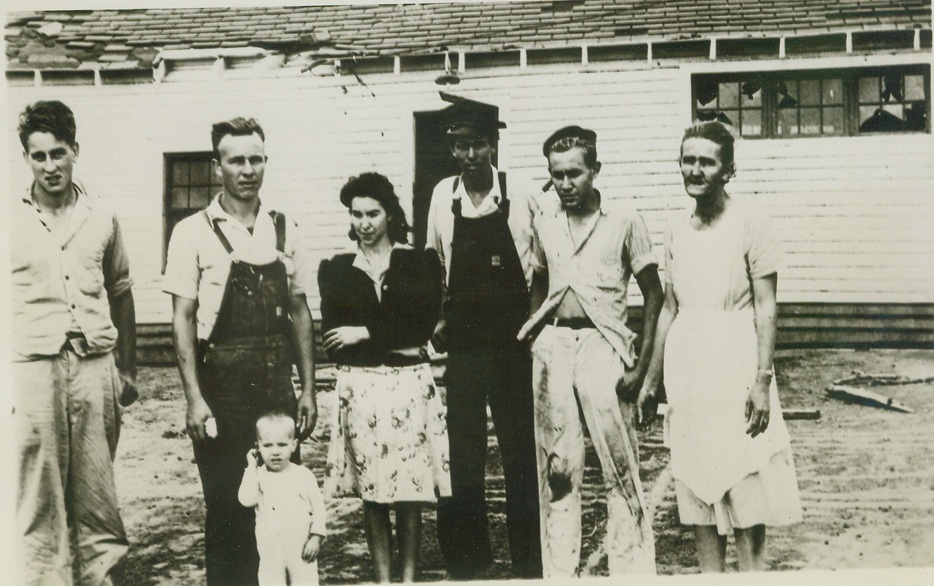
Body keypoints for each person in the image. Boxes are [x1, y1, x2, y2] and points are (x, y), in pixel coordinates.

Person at [636, 120, 803, 572]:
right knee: (697, 489)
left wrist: (761, 382)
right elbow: (670, 306)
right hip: (689, 371)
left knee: (746, 485)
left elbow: (766, 306)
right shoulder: (676, 230)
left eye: (706, 162)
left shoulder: (751, 222)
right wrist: (651, 380)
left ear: (727, 170)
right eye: (688, 161)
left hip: (735, 360)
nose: (695, 170)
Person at [163, 117, 318, 585]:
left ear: (265, 162)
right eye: (236, 160)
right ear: (217, 166)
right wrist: (194, 397)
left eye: (256, 159)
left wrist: (308, 389)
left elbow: (300, 312)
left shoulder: (286, 228)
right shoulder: (192, 231)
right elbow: (183, 319)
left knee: (282, 507)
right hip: (222, 389)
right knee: (229, 509)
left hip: (276, 387)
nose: (247, 169)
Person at [517, 125, 663, 576]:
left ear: (595, 170)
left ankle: (632, 573)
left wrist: (640, 368)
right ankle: (559, 574)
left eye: (575, 174)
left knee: (619, 466)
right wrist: (536, 336)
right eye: (556, 175)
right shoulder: (544, 218)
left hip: (605, 345)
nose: (565, 184)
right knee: (558, 471)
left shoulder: (624, 219)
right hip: (554, 345)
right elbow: (539, 280)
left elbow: (654, 294)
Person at [11, 100, 137, 585]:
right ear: (26, 158)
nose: (49, 167)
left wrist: (128, 369)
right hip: (30, 368)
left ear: (75, 151)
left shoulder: (100, 214)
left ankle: (99, 577)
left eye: (58, 154)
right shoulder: (9, 218)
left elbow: (121, 290)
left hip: (93, 365)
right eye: (38, 156)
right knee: (37, 487)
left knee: (96, 484)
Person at [426, 99, 543, 580]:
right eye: (460, 145)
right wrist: (436, 318)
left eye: (478, 144)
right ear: (452, 148)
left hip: (514, 338)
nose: (470, 153)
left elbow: (540, 266)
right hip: (467, 339)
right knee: (464, 449)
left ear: (493, 146)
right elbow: (434, 261)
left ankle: (530, 561)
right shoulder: (441, 196)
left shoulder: (522, 193)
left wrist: (533, 323)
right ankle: (468, 562)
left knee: (520, 448)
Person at [320, 172, 450, 583]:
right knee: (373, 494)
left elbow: (423, 324)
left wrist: (368, 331)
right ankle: (382, 579)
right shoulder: (338, 270)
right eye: (356, 214)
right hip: (361, 389)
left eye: (372, 213)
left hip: (409, 386)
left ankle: (408, 577)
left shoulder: (418, 262)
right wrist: (392, 332)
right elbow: (335, 338)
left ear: (390, 214)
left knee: (409, 490)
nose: (364, 223)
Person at [238, 410, 327, 585]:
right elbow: (246, 500)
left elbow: (319, 508)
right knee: (271, 580)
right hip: (270, 547)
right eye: (268, 446)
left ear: (293, 445)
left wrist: (316, 537)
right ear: (258, 447)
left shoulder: (303, 475)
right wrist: (251, 467)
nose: (275, 452)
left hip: (300, 545)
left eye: (282, 445)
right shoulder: (259, 475)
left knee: (305, 580)